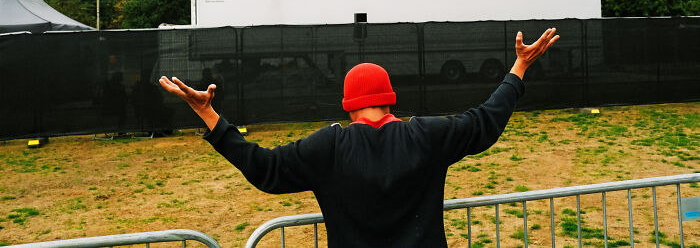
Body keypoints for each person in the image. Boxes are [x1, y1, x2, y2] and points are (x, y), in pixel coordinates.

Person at [159, 28, 560, 248]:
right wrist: (519, 67)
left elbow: (263, 168)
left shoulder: (328, 147)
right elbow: (486, 121)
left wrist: (207, 112)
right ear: (390, 100)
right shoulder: (426, 135)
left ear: (348, 106)